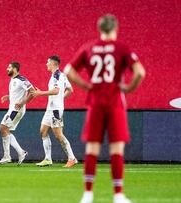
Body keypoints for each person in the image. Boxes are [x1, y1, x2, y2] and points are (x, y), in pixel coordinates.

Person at [63, 15, 146, 203]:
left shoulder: (89, 47)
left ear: (99, 28)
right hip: (115, 102)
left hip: (95, 102)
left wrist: (86, 85)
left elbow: (68, 70)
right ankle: (118, 195)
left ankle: (88, 195)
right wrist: (129, 87)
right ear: (115, 28)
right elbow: (140, 72)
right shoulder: (122, 48)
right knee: (116, 150)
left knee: (92, 149)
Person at [31, 56, 77, 167]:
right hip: (50, 109)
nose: (46, 64)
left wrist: (40, 93)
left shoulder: (57, 76)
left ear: (53, 63)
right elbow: (70, 90)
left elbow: (56, 91)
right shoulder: (61, 75)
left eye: (48, 62)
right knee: (43, 131)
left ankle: (72, 158)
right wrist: (61, 99)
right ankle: (48, 159)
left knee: (58, 135)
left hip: (55, 110)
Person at [0, 62, 35, 165]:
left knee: (2, 128)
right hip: (13, 109)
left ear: (15, 69)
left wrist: (22, 103)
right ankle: (21, 152)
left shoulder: (21, 80)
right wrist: (8, 97)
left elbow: (33, 91)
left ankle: (7, 156)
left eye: (9, 67)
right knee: (5, 130)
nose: (7, 68)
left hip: (16, 110)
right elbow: (17, 94)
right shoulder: (13, 80)